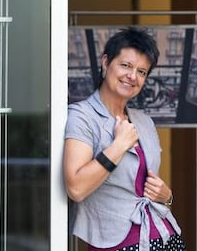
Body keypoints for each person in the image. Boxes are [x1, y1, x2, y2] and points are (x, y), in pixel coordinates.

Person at [64, 27, 186, 251]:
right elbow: (77, 188)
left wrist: (167, 197)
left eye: (142, 72)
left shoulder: (143, 122)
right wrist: (118, 146)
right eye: (126, 65)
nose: (133, 76)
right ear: (105, 62)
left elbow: (145, 185)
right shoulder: (82, 116)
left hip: (166, 237)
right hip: (120, 244)